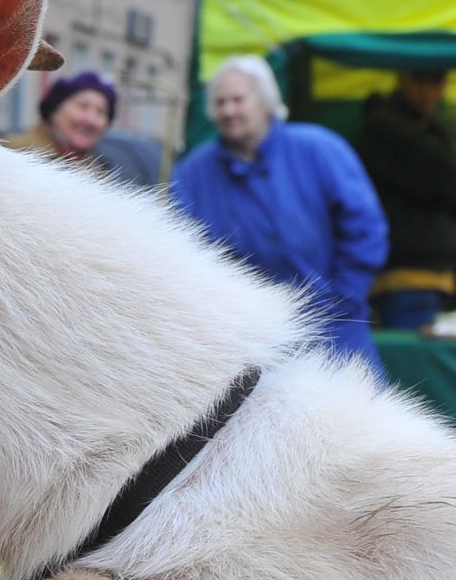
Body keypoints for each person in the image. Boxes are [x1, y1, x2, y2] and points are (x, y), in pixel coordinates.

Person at [170, 55, 390, 375]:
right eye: (220, 102)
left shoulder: (320, 149)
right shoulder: (192, 175)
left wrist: (342, 298)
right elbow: (183, 254)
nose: (229, 111)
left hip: (337, 331)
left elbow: (366, 227)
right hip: (251, 344)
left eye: (238, 99)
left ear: (266, 102)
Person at [356, 67, 456, 330]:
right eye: (421, 78)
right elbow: (445, 178)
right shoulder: (385, 127)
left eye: (439, 79)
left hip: (432, 277)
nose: (431, 90)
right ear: (400, 77)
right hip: (407, 280)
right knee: (417, 368)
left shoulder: (425, 126)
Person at [2, 70, 118, 174]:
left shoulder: (100, 175)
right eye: (82, 106)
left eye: (101, 112)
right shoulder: (13, 156)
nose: (90, 120)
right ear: (55, 111)